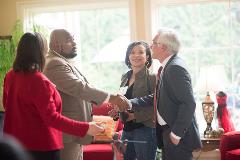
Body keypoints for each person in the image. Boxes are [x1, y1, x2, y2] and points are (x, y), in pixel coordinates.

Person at [2, 32, 105, 160]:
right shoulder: (39, 80)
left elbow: (8, 106)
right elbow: (52, 118)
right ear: (41, 51)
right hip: (42, 146)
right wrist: (86, 128)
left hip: (16, 144)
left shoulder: (10, 75)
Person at [43, 29, 130, 160]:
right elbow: (80, 88)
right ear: (56, 44)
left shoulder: (61, 61)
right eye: (69, 40)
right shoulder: (54, 63)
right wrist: (112, 98)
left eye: (73, 39)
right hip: (66, 134)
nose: (74, 43)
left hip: (73, 133)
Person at [116, 28, 202, 160]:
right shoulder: (166, 67)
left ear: (163, 47)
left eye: (153, 43)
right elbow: (156, 98)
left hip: (175, 134)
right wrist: (129, 102)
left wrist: (176, 134)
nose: (151, 46)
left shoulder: (174, 67)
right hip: (167, 132)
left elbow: (188, 103)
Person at [109, 41, 157, 160]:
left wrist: (134, 116)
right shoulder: (125, 76)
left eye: (141, 52)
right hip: (127, 129)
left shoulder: (152, 77)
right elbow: (123, 101)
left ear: (147, 57)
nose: (136, 55)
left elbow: (157, 105)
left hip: (145, 129)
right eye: (132, 52)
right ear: (128, 56)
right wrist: (117, 112)